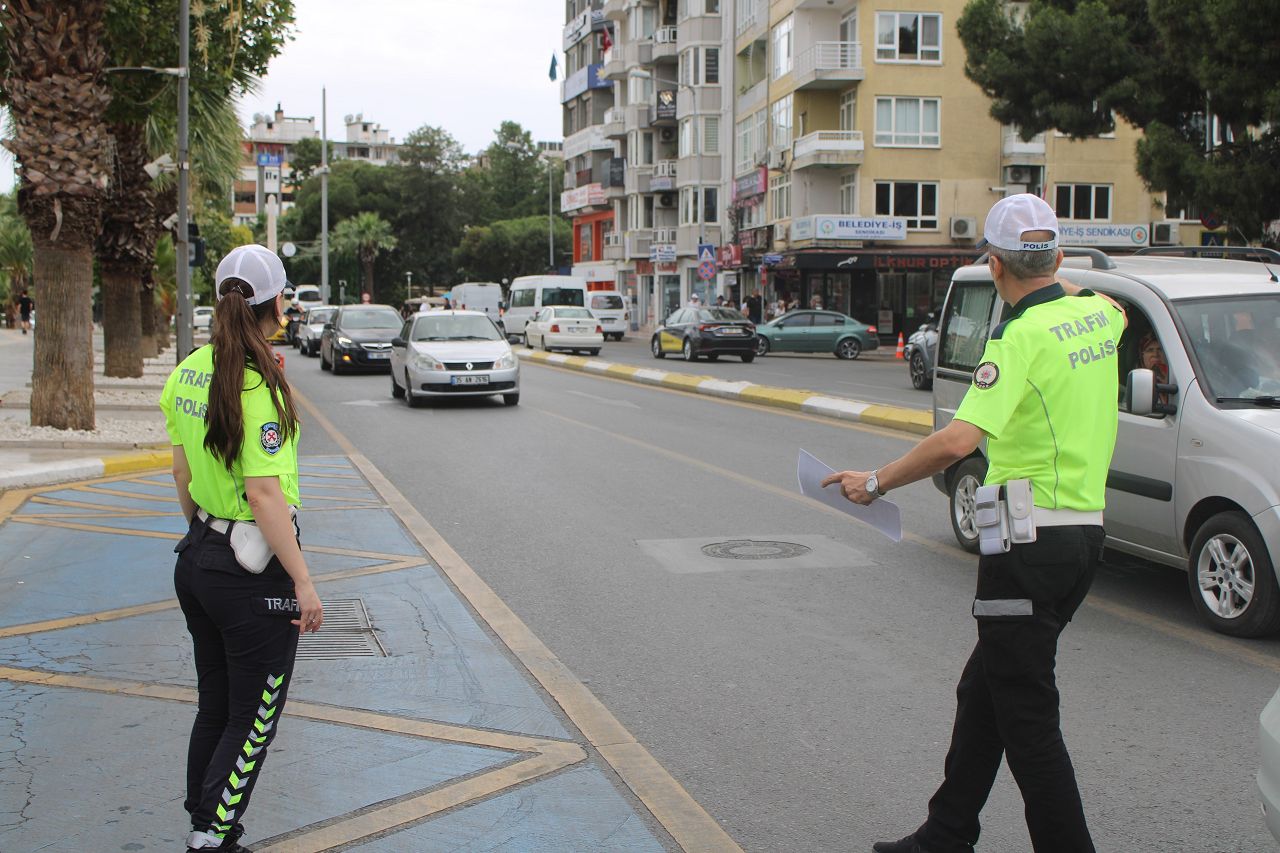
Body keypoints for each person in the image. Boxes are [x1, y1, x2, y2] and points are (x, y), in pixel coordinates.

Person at [821, 194, 1126, 853]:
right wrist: (1055, 278)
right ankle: (948, 829)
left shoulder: (1019, 339)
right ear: (1057, 257)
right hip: (1081, 541)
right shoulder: (1097, 316)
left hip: (1025, 544)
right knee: (985, 686)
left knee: (1029, 720)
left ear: (994, 266)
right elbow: (1115, 304)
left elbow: (958, 439)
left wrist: (873, 482)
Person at [160, 244, 323, 852]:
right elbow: (263, 493)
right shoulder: (258, 387)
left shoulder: (189, 370)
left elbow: (180, 475)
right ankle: (213, 835)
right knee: (252, 721)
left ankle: (205, 816)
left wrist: (206, 539)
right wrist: (303, 581)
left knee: (217, 706)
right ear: (275, 304)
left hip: (199, 558)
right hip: (251, 579)